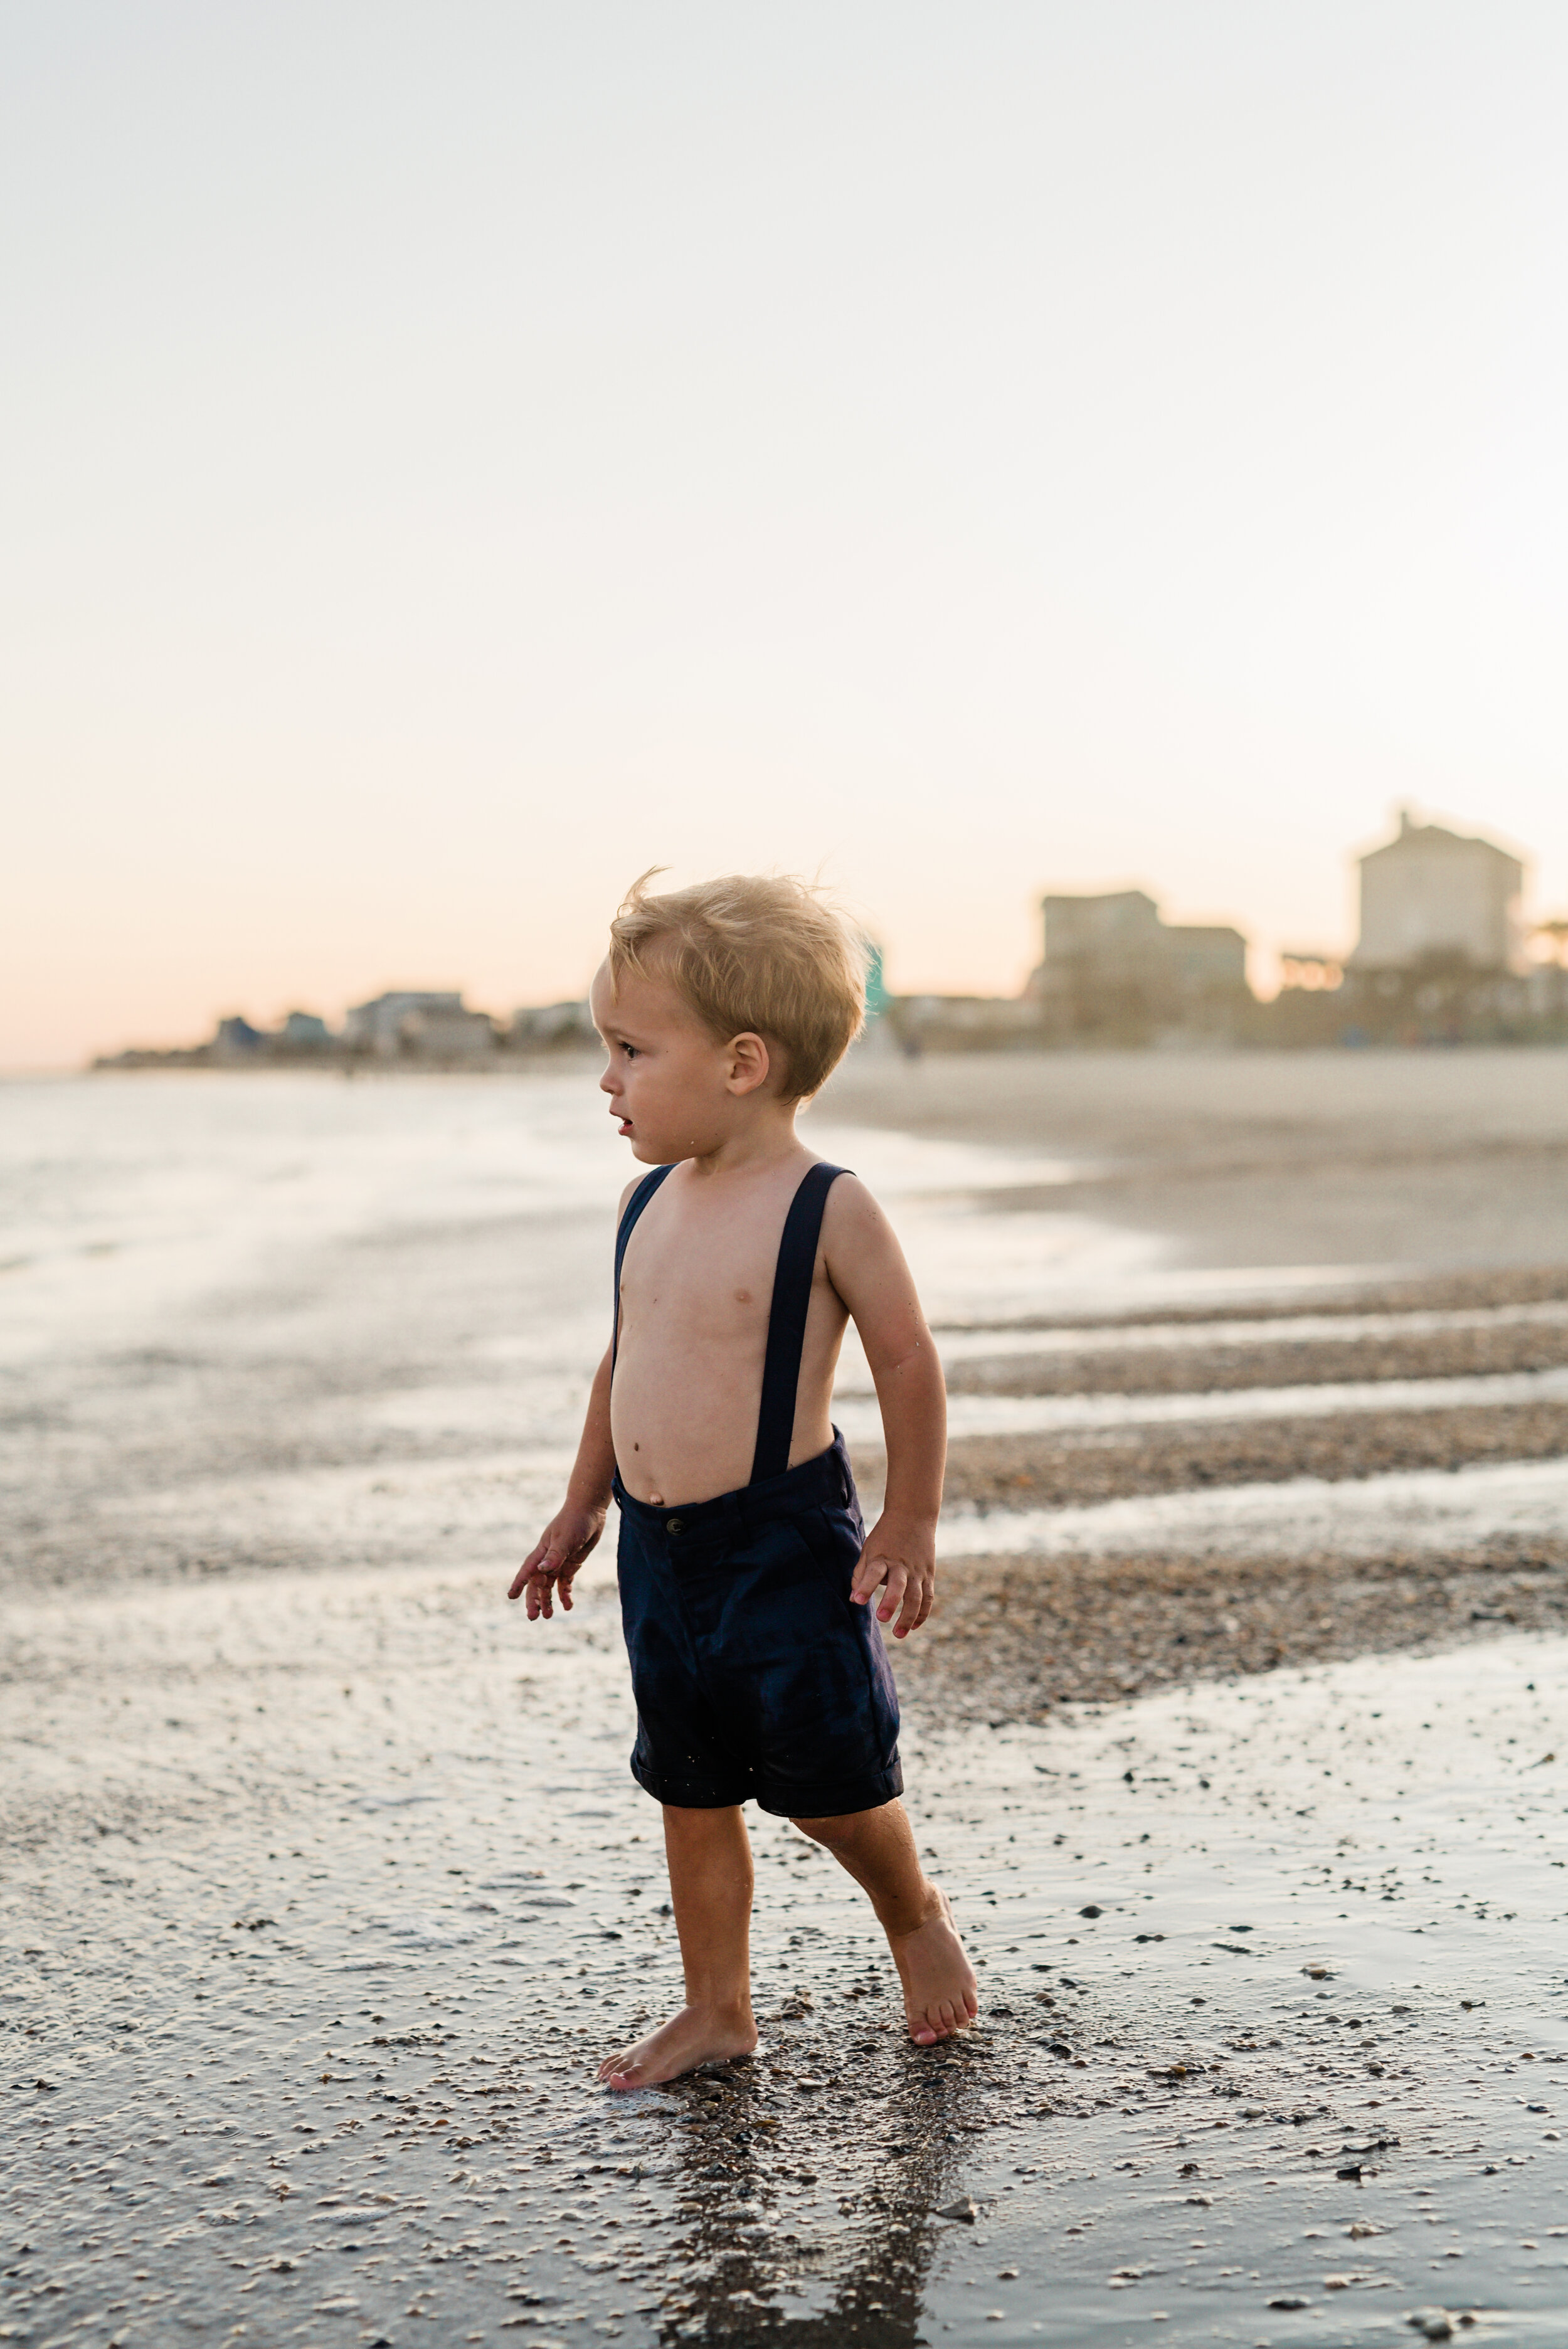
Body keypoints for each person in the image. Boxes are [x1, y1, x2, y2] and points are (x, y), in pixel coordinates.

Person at [508, 872, 977, 2089]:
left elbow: (906, 1358)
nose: (605, 1082)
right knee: (690, 1777)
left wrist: (910, 1515)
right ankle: (716, 2006)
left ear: (741, 1063)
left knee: (829, 1777)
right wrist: (580, 1504)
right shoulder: (643, 1202)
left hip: (781, 1539)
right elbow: (625, 1359)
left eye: (628, 1051)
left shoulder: (827, 1207)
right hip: (658, 1552)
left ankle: (910, 1907)